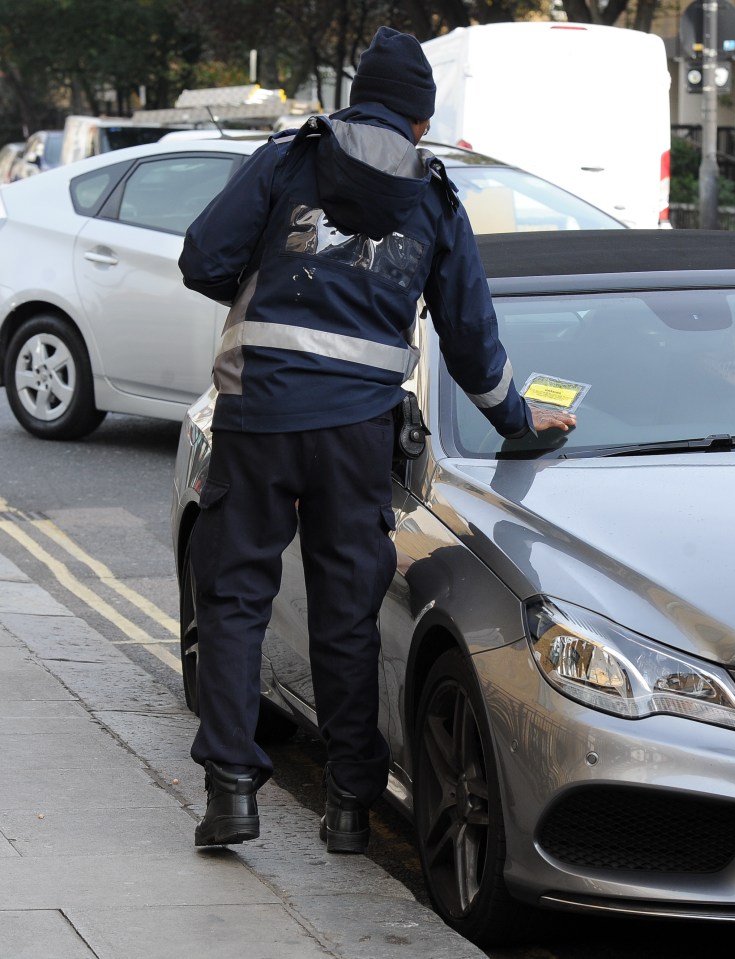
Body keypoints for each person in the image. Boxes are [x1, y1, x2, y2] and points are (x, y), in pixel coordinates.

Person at [177, 26, 575, 854]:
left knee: (235, 598)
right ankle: (352, 805)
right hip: (358, 432)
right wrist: (518, 422)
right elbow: (470, 338)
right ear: (421, 121)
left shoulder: (290, 161)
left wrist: (263, 283)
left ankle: (231, 793)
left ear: (358, 96)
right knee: (348, 613)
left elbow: (201, 258)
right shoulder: (433, 198)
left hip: (259, 413)